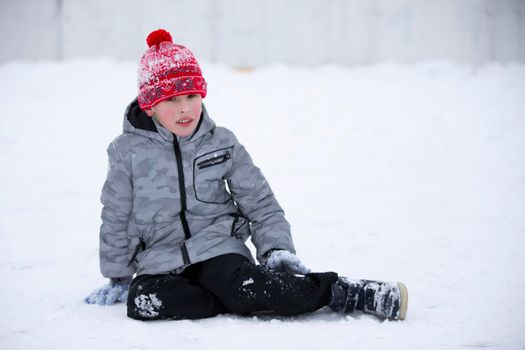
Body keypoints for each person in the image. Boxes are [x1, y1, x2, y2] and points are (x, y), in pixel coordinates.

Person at [85, 29, 408, 321]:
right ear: (150, 105)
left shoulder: (222, 142)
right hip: (159, 259)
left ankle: (347, 292)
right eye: (171, 99)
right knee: (144, 304)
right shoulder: (126, 151)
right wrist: (118, 275)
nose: (185, 108)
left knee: (249, 287)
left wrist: (274, 249)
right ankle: (232, 298)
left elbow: (259, 201)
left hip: (217, 248)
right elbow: (116, 215)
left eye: (192, 96)